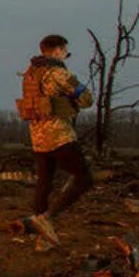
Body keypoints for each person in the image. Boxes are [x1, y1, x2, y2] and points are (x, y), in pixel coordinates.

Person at [16, 34, 94, 243]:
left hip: (38, 136)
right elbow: (87, 99)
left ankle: (36, 227)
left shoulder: (30, 73)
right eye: (65, 51)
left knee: (45, 182)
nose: (66, 55)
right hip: (59, 135)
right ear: (58, 50)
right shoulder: (58, 73)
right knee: (85, 178)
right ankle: (48, 218)